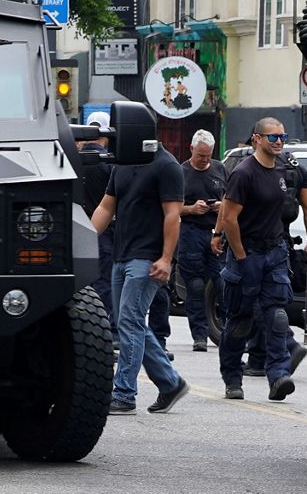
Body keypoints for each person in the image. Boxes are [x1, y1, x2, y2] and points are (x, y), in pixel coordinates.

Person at [91, 143, 190, 415]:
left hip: (148, 258)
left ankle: (124, 394)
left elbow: (173, 215)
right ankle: (170, 383)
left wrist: (166, 259)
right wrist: (85, 241)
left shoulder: (166, 165)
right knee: (130, 322)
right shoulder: (121, 164)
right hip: (121, 255)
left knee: (129, 320)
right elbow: (105, 207)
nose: (116, 136)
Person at [213, 117, 298, 402]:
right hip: (245, 252)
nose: (279, 142)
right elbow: (229, 217)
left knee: (277, 316)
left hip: (274, 251)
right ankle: (232, 378)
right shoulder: (244, 173)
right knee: (241, 319)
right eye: (272, 137)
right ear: (256, 139)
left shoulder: (283, 170)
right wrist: (239, 254)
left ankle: (278, 376)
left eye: (282, 137)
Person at [242, 149, 307, 377]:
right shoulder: (297, 168)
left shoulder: (253, 168)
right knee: (272, 300)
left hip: (256, 241)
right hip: (284, 241)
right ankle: (258, 359)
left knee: (258, 302)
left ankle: (288, 345)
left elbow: (232, 208)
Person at [179, 129, 228, 352]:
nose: (204, 160)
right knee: (196, 286)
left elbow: (231, 199)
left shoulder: (220, 169)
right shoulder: (181, 172)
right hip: (191, 232)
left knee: (222, 283)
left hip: (216, 232)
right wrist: (190, 209)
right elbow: (170, 208)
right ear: (191, 149)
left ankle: (228, 330)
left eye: (208, 156)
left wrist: (221, 206)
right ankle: (199, 334)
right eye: (200, 155)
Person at [78, 110, 116, 331]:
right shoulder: (109, 165)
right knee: (104, 282)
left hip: (79, 230)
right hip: (106, 232)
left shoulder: (75, 162)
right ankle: (104, 329)